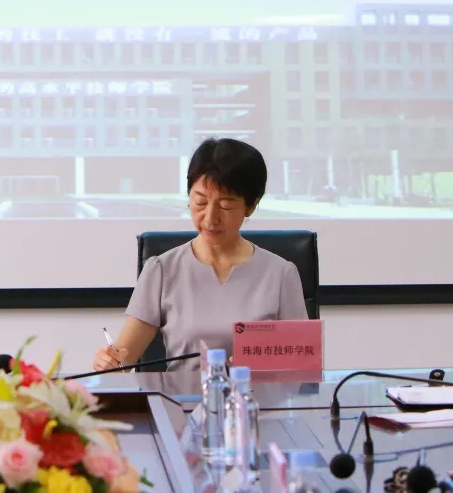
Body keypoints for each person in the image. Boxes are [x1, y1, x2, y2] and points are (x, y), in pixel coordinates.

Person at [92, 137, 308, 372]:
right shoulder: (162, 270)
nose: (210, 218)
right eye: (200, 202)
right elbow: (123, 360)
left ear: (251, 206)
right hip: (181, 395)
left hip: (254, 395)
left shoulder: (280, 274)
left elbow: (303, 363)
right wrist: (109, 362)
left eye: (225, 205)